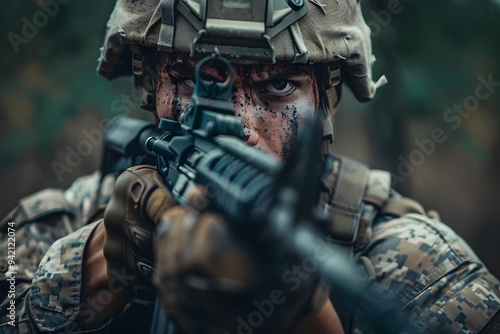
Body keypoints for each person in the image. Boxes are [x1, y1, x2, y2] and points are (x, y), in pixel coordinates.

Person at [1, 0, 499, 333]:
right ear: (151, 87)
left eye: (278, 87)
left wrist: (304, 316)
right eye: (190, 79)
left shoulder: (419, 264)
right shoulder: (58, 218)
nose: (238, 125)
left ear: (326, 102)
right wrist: (95, 270)